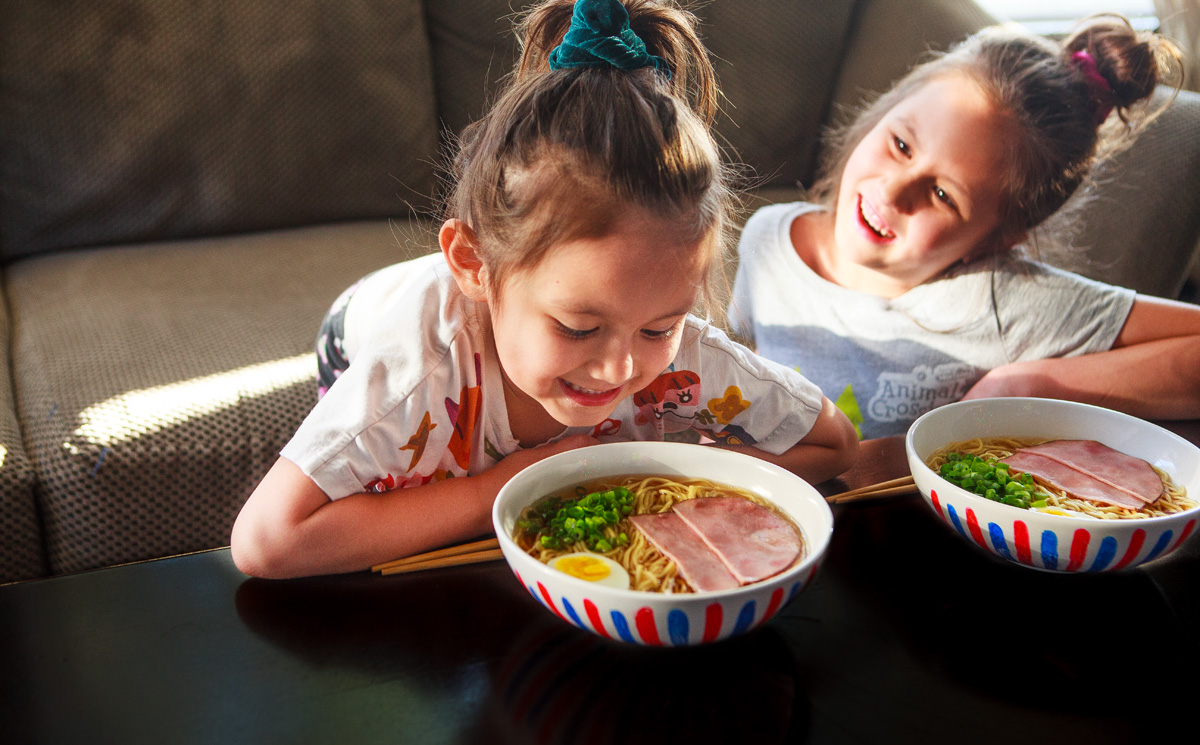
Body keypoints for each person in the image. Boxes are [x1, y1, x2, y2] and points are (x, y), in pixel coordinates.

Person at [231, 0, 859, 579]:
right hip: (363, 324)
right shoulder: (415, 379)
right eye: (578, 328)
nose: (621, 367)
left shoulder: (679, 359)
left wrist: (684, 480)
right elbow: (268, 541)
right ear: (474, 264)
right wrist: (491, 493)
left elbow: (833, 443)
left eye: (660, 327)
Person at [729, 15, 1200, 440]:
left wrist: (1025, 384)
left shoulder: (999, 301)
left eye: (942, 196)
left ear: (998, 239)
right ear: (884, 112)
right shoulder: (768, 240)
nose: (894, 193)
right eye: (901, 144)